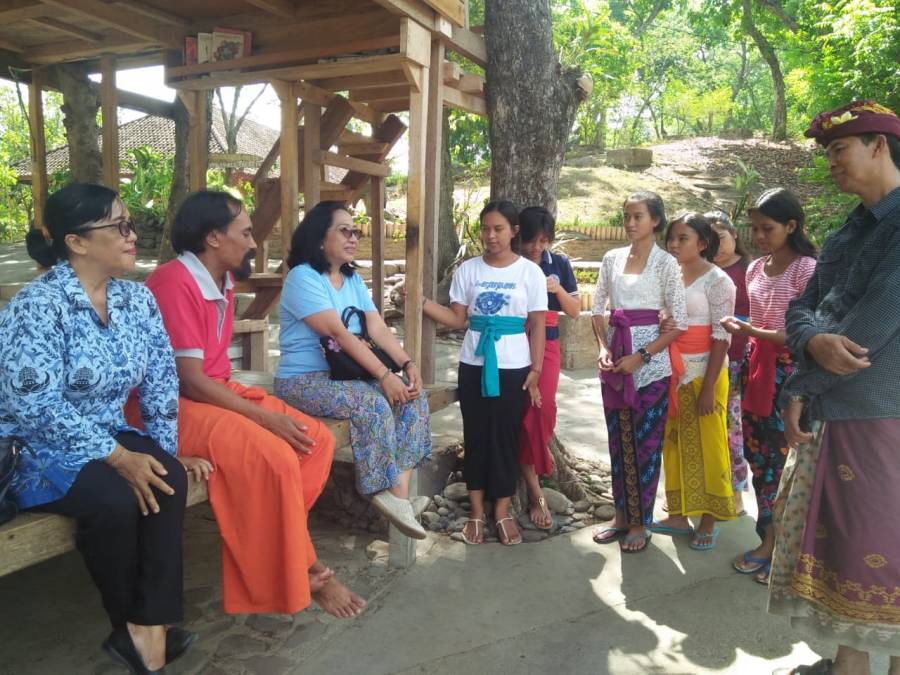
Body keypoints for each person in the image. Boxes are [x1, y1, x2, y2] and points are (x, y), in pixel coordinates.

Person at [131, 190, 366, 620]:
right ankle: (305, 569)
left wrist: (264, 415)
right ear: (213, 237)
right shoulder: (173, 281)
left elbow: (208, 379)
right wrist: (263, 418)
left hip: (210, 391)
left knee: (315, 440)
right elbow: (190, 380)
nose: (254, 243)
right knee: (275, 457)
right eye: (245, 233)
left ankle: (288, 553)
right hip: (167, 406)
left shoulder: (221, 278)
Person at [0, 183, 199, 673]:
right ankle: (143, 637)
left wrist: (163, 451)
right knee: (112, 499)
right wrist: (119, 458)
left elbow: (160, 383)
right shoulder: (38, 305)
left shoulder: (137, 299)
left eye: (130, 225)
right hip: (34, 444)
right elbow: (33, 403)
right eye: (120, 226)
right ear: (77, 242)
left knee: (167, 478)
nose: (133, 235)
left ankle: (144, 629)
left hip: (104, 430)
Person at [768, 100, 900, 675]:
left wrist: (802, 380)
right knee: (845, 545)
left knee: (883, 549)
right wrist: (812, 346)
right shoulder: (853, 226)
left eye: (839, 149)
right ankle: (850, 664)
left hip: (880, 412)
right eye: (827, 153)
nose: (831, 163)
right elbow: (804, 305)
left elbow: (871, 330)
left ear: (879, 145)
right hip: (837, 407)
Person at [273, 201, 430, 539]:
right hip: (303, 381)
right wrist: (384, 376)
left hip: (348, 376)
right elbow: (338, 333)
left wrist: (407, 365)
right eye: (344, 230)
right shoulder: (302, 277)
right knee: (373, 404)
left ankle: (398, 496)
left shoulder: (352, 279)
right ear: (319, 238)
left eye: (355, 231)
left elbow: (377, 328)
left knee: (414, 398)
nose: (353, 237)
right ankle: (381, 490)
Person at [423, 200, 546, 546]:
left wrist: (536, 369)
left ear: (514, 231)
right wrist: (422, 304)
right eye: (486, 229)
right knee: (475, 436)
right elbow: (457, 319)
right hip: (474, 365)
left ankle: (502, 511)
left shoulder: (529, 273)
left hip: (514, 367)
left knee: (506, 438)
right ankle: (476, 513)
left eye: (498, 229)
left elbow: (538, 324)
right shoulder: (468, 270)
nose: (491, 236)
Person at [721, 188, 817, 584]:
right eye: (755, 229)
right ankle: (769, 540)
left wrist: (751, 331)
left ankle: (778, 550)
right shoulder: (756, 268)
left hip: (791, 376)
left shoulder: (807, 269)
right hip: (756, 370)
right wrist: (748, 333)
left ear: (791, 226)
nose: (759, 236)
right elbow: (758, 324)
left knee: (783, 462)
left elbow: (804, 335)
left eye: (768, 228)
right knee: (758, 458)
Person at [590, 191, 688, 554]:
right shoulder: (612, 258)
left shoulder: (666, 264)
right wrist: (603, 348)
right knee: (618, 440)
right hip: (616, 362)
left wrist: (642, 356)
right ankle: (620, 515)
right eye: (627, 216)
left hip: (651, 368)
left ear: (656, 221)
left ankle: (639, 522)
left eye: (638, 217)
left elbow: (679, 323)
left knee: (645, 444)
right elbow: (596, 308)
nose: (630, 223)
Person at [653, 212, 737, 550]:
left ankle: (709, 518)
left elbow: (721, 337)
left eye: (682, 238)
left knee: (709, 444)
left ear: (702, 243)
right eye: (671, 238)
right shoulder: (668, 274)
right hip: (671, 369)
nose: (674, 244)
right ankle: (677, 514)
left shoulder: (718, 281)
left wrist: (709, 388)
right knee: (673, 442)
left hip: (705, 373)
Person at [517, 206, 580, 530]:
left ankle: (538, 456)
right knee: (519, 412)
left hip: (549, 342)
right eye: (531, 240)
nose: (536, 247)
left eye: (543, 241)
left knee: (543, 409)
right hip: (513, 340)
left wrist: (556, 289)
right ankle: (535, 490)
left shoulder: (560, 264)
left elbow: (575, 310)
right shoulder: (510, 262)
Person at [707, 210, 752, 514]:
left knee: (733, 429)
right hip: (705, 358)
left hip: (739, 360)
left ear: (734, 235)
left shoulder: (751, 270)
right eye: (710, 240)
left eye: (721, 237)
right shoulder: (702, 271)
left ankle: (735, 494)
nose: (717, 246)